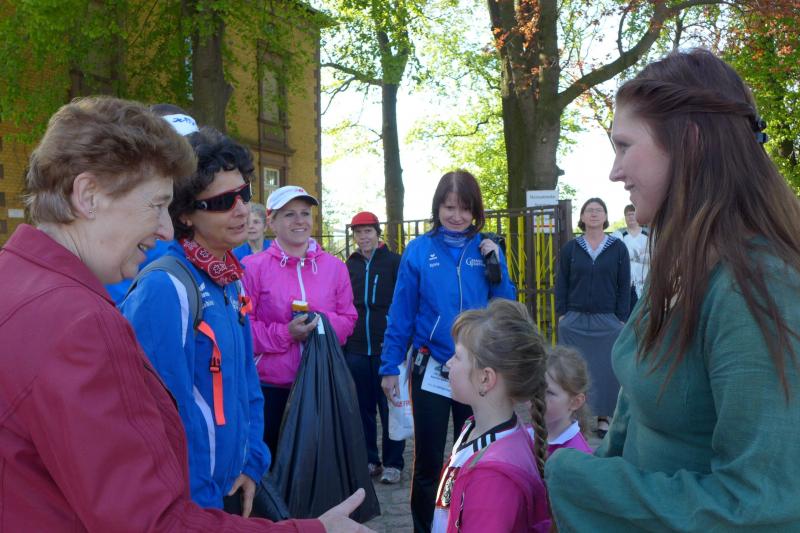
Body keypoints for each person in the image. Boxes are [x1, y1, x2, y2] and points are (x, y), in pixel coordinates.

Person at [0, 95, 372, 532]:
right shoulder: (87, 320)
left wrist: (249, 460)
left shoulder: (21, 281)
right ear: (88, 196)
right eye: (157, 204)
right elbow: (151, 518)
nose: (164, 228)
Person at [545, 49, 800, 531]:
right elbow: (636, 415)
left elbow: (762, 507)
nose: (614, 172)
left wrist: (576, 481)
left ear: (690, 142)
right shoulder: (684, 264)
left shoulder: (757, 289)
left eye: (624, 146)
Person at [121, 127, 268, 514]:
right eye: (222, 202)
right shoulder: (165, 288)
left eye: (244, 194)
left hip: (231, 487)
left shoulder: (230, 279)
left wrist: (252, 462)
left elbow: (247, 382)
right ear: (185, 215)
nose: (241, 209)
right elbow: (161, 418)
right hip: (193, 502)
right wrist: (200, 504)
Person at [379, 170, 516, 533]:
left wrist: (498, 268)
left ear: (476, 211)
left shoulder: (487, 249)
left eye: (465, 208)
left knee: (475, 456)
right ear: (437, 207)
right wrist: (389, 365)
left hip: (478, 370)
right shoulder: (419, 251)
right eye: (449, 207)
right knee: (428, 462)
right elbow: (401, 313)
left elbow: (506, 309)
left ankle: (468, 524)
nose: (457, 216)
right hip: (432, 368)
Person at [242, 185, 358, 456]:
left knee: (315, 465)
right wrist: (287, 333)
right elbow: (243, 329)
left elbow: (348, 320)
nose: (299, 221)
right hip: (271, 387)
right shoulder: (252, 267)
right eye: (289, 214)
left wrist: (319, 323)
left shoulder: (335, 267)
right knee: (270, 465)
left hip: (321, 383)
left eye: (305, 213)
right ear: (271, 222)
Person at [432, 299, 551, 533]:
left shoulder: (493, 478)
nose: (448, 363)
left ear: (485, 378)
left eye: (457, 356)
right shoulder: (475, 427)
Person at [104, 103, 199, 305]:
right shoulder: (124, 223)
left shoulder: (204, 215)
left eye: (194, 151)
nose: (188, 165)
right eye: (177, 151)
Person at [555, 197, 630, 437]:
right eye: (589, 210)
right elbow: (561, 282)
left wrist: (621, 318)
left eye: (599, 210)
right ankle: (574, 417)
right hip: (574, 320)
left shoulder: (618, 248)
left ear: (606, 217)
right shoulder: (571, 248)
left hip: (607, 320)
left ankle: (603, 418)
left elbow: (624, 284)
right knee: (572, 369)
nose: (594, 213)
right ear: (582, 217)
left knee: (606, 371)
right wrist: (562, 314)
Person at [344, 211, 405, 484]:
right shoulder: (350, 265)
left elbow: (405, 303)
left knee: (390, 407)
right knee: (362, 408)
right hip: (357, 348)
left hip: (386, 348)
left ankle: (393, 463)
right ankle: (370, 459)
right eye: (358, 233)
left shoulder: (394, 262)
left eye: (368, 231)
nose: (363, 237)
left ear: (377, 233)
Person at [545, 346, 593, 456]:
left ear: (576, 402)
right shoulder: (526, 433)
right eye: (535, 387)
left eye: (549, 392)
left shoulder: (578, 455)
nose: (537, 396)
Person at [612, 204, 649, 309]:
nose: (631, 217)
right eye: (628, 215)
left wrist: (630, 256)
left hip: (645, 285)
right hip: (626, 285)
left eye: (633, 214)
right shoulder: (618, 234)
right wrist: (641, 251)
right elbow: (619, 256)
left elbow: (653, 257)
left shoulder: (649, 233)